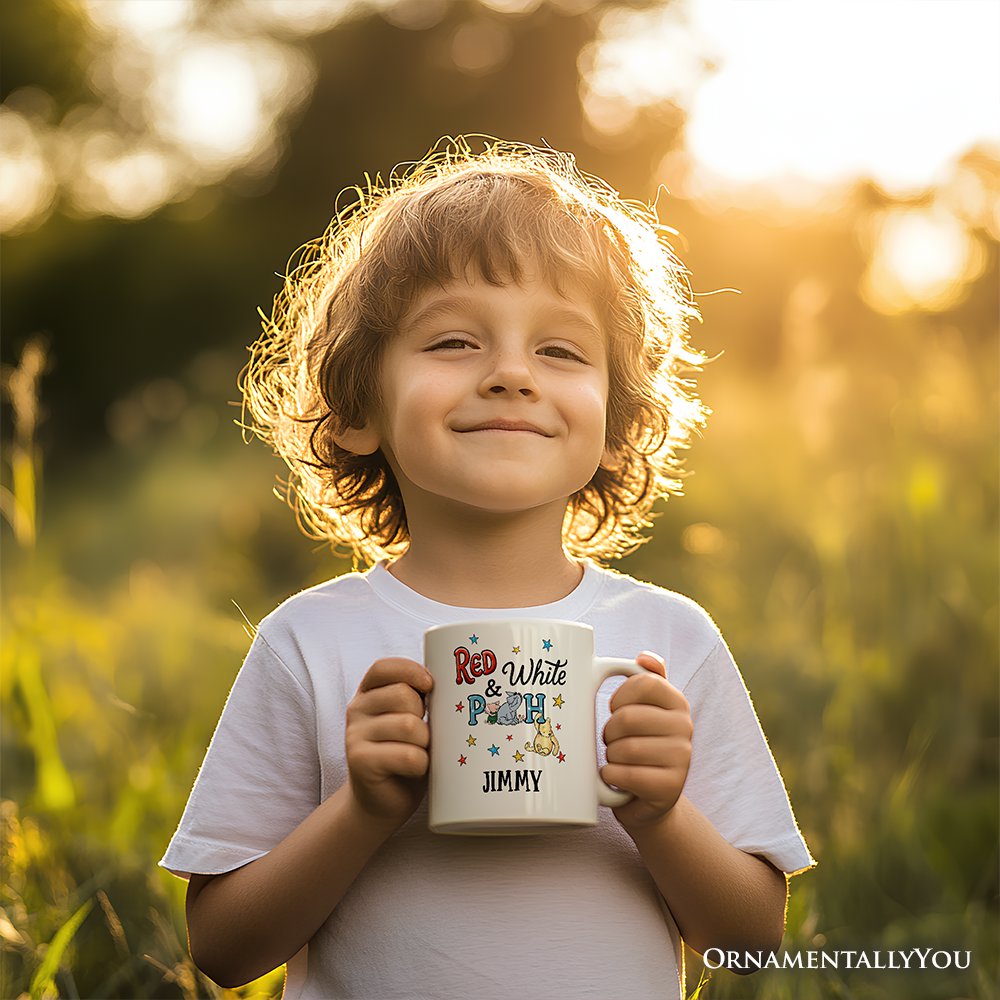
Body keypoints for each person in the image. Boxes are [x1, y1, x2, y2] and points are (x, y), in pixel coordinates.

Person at [160, 137, 814, 999]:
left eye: (561, 352)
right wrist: (362, 812)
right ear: (359, 408)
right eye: (456, 341)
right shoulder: (309, 642)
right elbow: (224, 948)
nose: (511, 374)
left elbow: (753, 944)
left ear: (616, 426)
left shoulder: (668, 643)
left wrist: (660, 814)